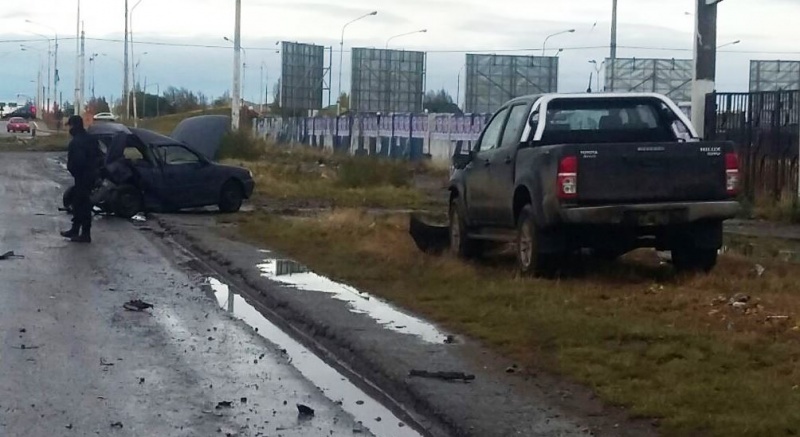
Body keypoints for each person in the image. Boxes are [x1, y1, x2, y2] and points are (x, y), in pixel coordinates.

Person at [61, 115, 101, 243]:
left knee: (82, 205)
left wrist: (74, 170)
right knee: (78, 203)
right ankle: (75, 229)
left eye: (70, 125)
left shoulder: (77, 141)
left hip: (83, 177)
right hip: (90, 176)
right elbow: (98, 156)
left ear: (74, 126)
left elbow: (78, 161)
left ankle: (85, 234)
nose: (69, 128)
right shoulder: (90, 139)